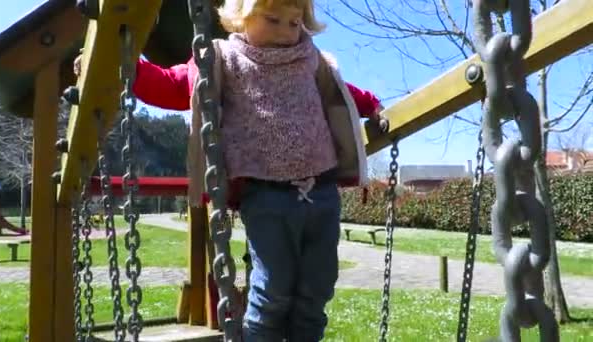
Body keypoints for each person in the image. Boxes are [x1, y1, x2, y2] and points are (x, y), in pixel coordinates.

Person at [75, 0, 387, 340]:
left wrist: (373, 106)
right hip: (266, 196)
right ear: (240, 17)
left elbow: (343, 92)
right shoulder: (224, 58)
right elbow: (174, 84)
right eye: (273, 19)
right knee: (274, 289)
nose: (286, 31)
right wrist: (122, 67)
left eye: (295, 23)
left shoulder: (311, 61)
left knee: (319, 286)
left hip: (322, 192)